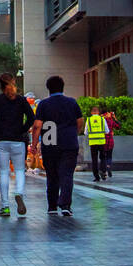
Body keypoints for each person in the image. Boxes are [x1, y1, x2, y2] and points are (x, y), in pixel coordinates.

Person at [0, 73, 35, 217]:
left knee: (4, 172)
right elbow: (31, 118)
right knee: (19, 170)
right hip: (18, 140)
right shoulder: (21, 100)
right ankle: (18, 192)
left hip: (1, 141)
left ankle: (5, 206)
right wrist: (22, 130)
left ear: (0, 85)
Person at [30, 75, 83, 217]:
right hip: (69, 143)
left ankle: (52, 205)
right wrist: (73, 133)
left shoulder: (43, 105)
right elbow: (80, 121)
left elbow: (37, 126)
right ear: (62, 87)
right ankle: (65, 204)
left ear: (48, 89)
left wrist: (34, 144)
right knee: (67, 174)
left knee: (52, 175)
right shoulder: (72, 102)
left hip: (50, 142)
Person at [84, 104, 110, 182]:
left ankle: (96, 177)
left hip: (93, 143)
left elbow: (86, 132)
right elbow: (107, 131)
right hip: (101, 142)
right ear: (98, 112)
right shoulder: (102, 119)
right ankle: (103, 171)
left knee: (94, 159)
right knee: (103, 158)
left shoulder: (88, 120)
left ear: (92, 112)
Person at [103, 108, 120, 178]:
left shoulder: (102, 120)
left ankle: (104, 169)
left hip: (103, 141)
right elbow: (118, 126)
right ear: (106, 113)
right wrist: (115, 118)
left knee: (103, 156)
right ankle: (108, 166)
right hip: (110, 141)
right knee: (109, 156)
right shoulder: (110, 121)